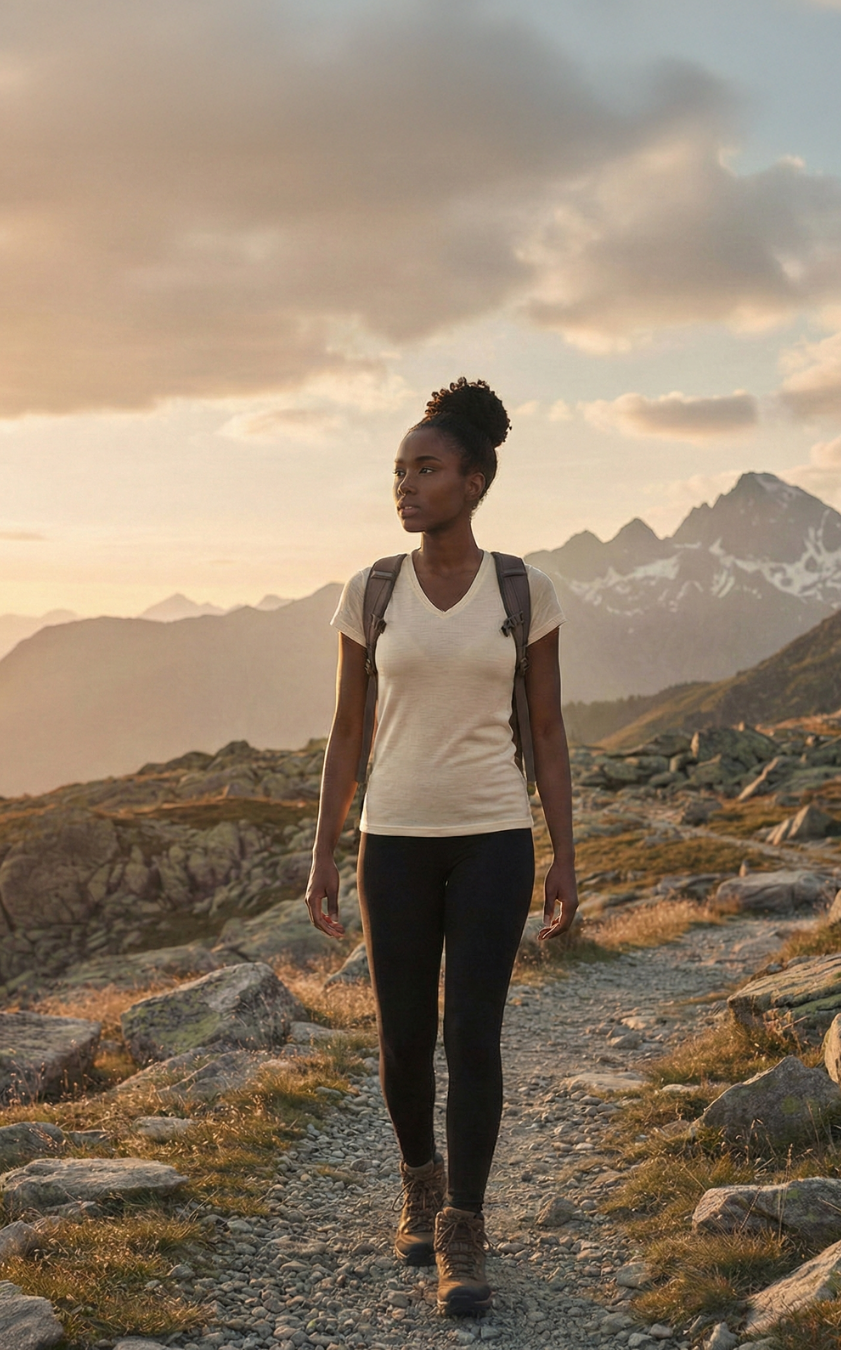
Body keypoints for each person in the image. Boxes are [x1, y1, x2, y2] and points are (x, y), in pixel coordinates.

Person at [305, 377, 578, 1317]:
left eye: (426, 469)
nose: (406, 485)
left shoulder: (523, 590)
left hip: (495, 837)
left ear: (475, 480)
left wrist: (565, 858)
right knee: (402, 1037)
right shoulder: (370, 590)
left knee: (474, 1036)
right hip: (394, 842)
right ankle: (419, 1181)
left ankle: (464, 1224)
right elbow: (347, 730)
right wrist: (323, 852)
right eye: (399, 470)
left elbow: (547, 733)